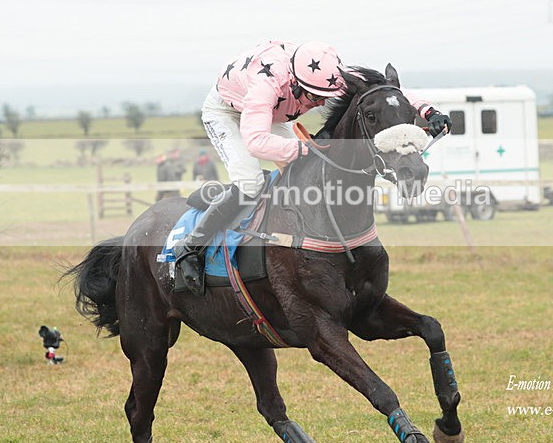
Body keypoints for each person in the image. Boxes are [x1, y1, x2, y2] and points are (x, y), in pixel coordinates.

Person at [172, 40, 451, 291]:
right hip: (228, 112)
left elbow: (386, 93)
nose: (320, 103)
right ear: (294, 83)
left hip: (273, 114)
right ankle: (190, 248)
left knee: (304, 172)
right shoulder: (265, 86)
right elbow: (256, 142)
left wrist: (429, 111)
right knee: (251, 183)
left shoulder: (327, 74)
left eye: (324, 98)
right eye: (315, 98)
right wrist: (301, 148)